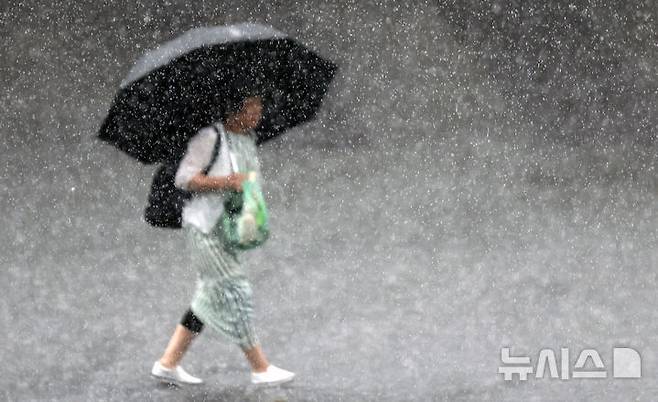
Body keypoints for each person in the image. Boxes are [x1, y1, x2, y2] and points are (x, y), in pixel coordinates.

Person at [150, 95, 295, 386]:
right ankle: (260, 367)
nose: (258, 113)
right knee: (233, 289)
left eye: (259, 107)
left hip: (227, 228)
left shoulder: (246, 139)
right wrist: (228, 182)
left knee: (208, 296)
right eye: (252, 107)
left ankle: (167, 364)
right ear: (233, 110)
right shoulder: (210, 137)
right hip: (204, 227)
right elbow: (185, 178)